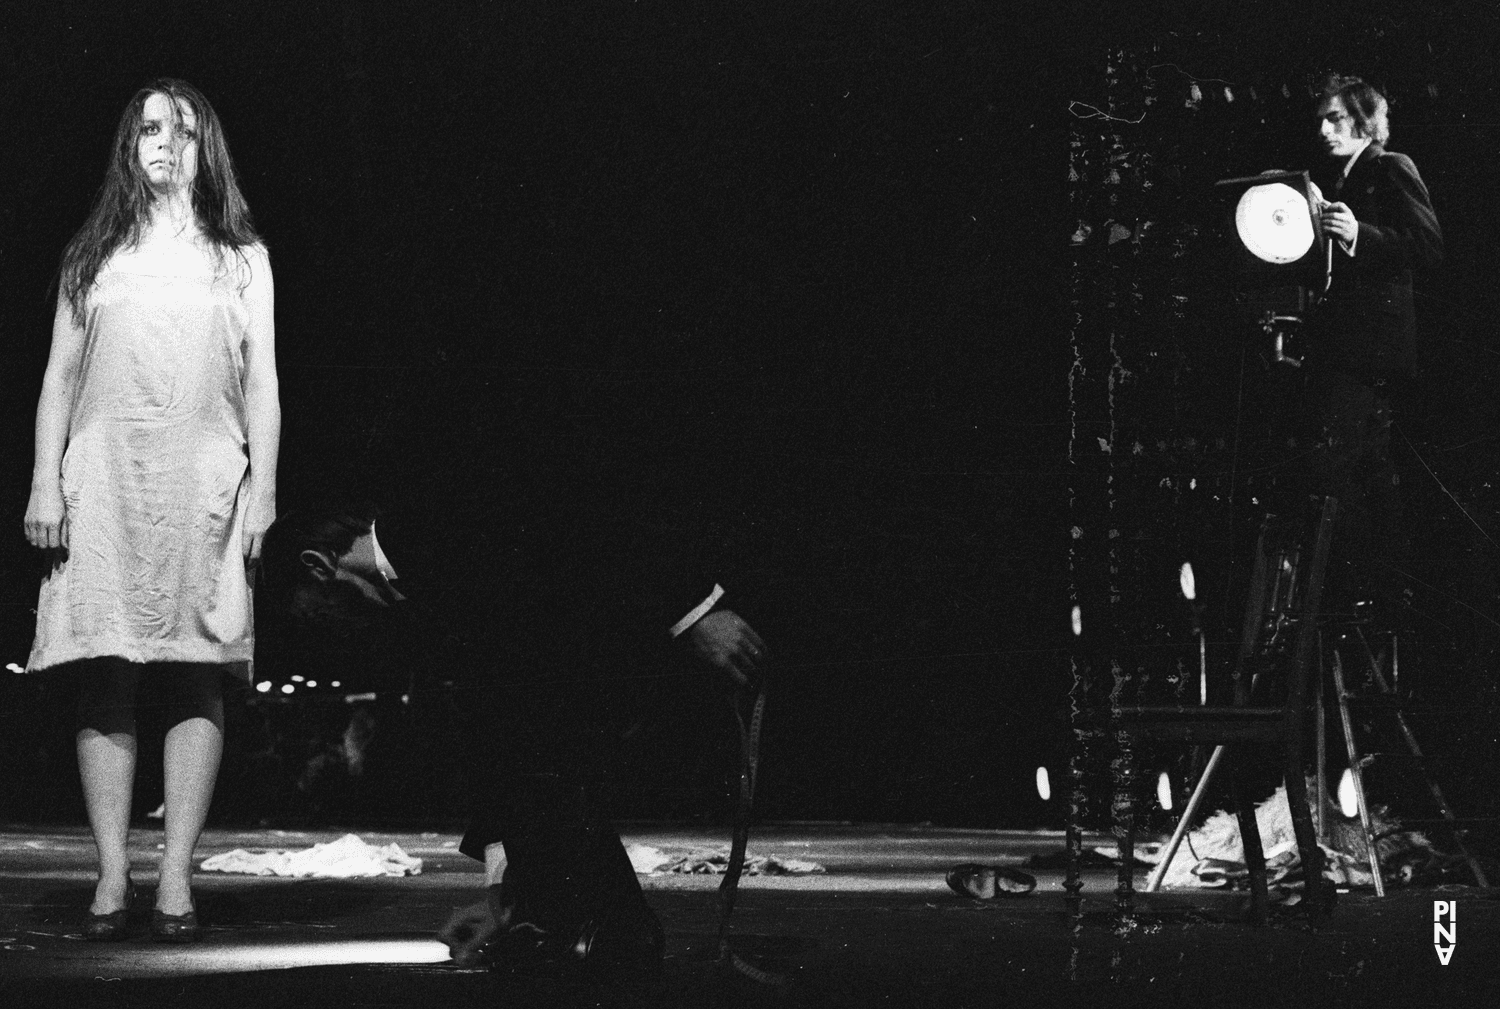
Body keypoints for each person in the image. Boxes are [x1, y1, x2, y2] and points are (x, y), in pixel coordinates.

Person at [259, 501, 766, 981]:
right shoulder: (414, 599)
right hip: (594, 683)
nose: (330, 633)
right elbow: (497, 746)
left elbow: (591, 522)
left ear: (317, 566)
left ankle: (605, 930)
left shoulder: (437, 524)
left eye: (312, 615)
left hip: (664, 636)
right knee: (528, 737)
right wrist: (505, 899)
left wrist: (696, 609)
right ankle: (600, 930)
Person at [20, 79, 279, 943]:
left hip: (202, 480)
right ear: (129, 146)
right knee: (107, 666)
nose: (166, 143)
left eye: (186, 131)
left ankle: (174, 878)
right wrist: (43, 482)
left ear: (210, 151)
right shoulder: (92, 256)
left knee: (195, 666)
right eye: (151, 128)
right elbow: (57, 376)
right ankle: (109, 873)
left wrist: (265, 492)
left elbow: (266, 386)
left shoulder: (241, 258)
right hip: (106, 477)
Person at [1302, 75, 1442, 614]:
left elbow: (1427, 247)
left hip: (1371, 352)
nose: (1323, 129)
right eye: (1321, 119)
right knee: (1353, 470)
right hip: (1341, 347)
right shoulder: (1337, 179)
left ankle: (1370, 596)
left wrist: (1359, 231)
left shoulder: (1389, 166)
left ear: (1363, 121)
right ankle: (1363, 594)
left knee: (1352, 470)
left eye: (1334, 118)